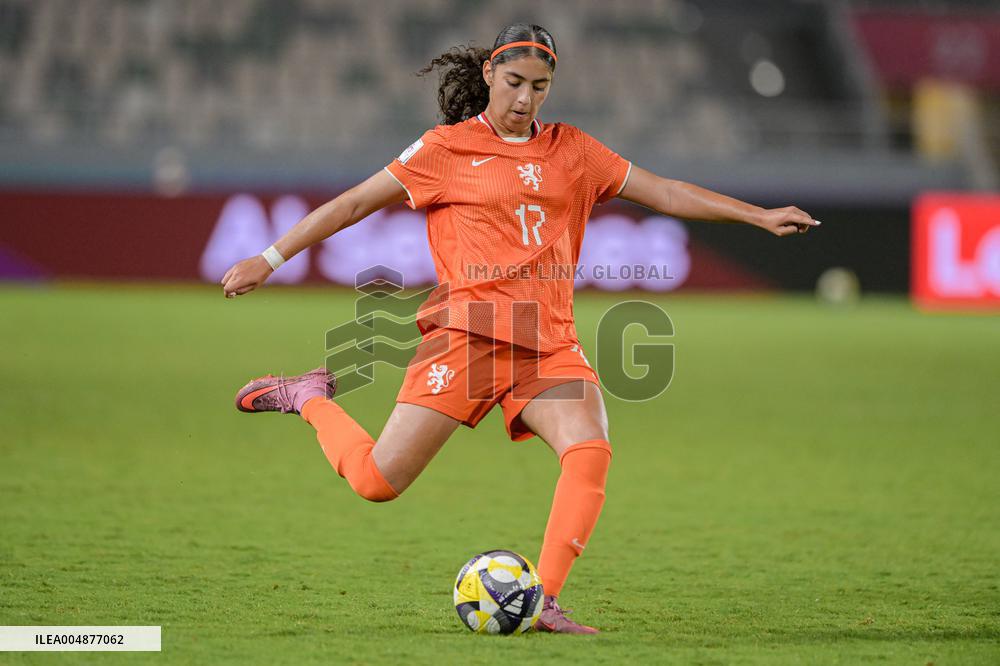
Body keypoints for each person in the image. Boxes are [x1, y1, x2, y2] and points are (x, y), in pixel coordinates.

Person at [221, 23, 818, 634]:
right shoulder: (443, 150)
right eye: (514, 83)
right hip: (469, 335)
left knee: (589, 451)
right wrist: (268, 259)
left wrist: (758, 215)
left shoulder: (575, 151)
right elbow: (352, 204)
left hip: (548, 340)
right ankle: (308, 397)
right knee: (376, 481)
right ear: (488, 76)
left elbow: (662, 190)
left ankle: (546, 602)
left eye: (540, 86)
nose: (525, 99)